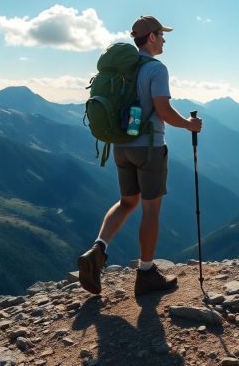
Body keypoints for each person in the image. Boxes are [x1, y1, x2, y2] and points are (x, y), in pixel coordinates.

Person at [77, 15, 202, 296]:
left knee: (126, 202)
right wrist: (190, 125)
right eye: (162, 34)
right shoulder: (156, 69)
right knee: (150, 209)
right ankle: (146, 273)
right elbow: (164, 112)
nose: (165, 39)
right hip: (149, 149)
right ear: (152, 37)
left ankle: (98, 249)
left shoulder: (124, 70)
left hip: (122, 147)